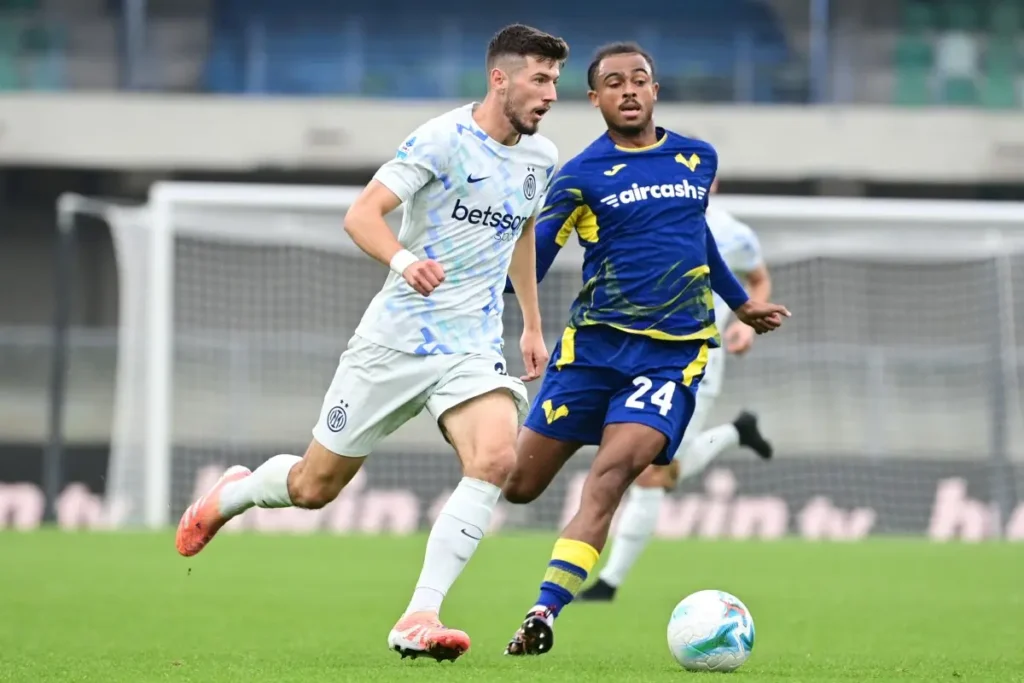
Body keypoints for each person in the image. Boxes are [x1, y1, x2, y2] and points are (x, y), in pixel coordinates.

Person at [173, 24, 568, 663]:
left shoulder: (541, 158)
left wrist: (530, 322)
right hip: (393, 342)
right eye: (540, 79)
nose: (550, 94)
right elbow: (361, 215)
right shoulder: (441, 139)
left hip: (470, 346)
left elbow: (522, 233)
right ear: (500, 78)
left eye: (555, 81)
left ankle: (420, 614)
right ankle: (235, 493)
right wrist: (405, 261)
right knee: (313, 487)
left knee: (496, 460)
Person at [499, 42, 790, 656]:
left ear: (655, 90)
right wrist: (482, 278)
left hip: (670, 358)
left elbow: (696, 237)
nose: (628, 90)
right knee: (518, 485)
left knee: (609, 479)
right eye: (614, 82)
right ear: (594, 98)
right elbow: (533, 262)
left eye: (639, 79)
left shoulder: (697, 159)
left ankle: (543, 611)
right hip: (591, 352)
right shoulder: (578, 176)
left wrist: (740, 304)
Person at [578, 176, 775, 603]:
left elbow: (758, 279)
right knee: (653, 465)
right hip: (637, 356)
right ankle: (737, 432)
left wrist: (744, 325)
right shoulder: (638, 217)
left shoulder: (734, 233)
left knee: (653, 471)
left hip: (696, 364)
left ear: (712, 182)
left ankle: (609, 583)